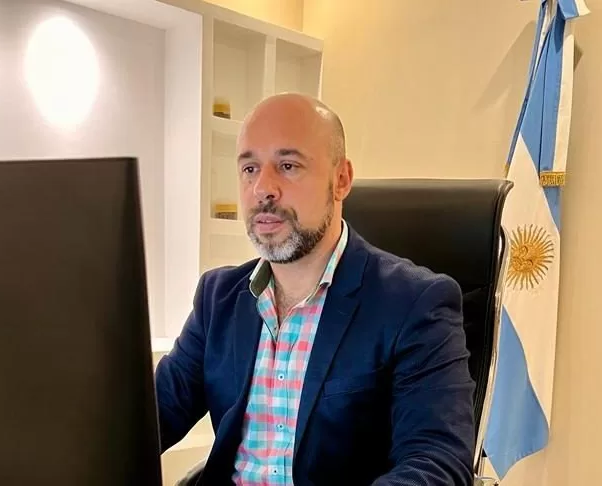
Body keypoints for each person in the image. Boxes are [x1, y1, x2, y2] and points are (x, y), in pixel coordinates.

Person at [154, 93, 475, 485]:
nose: (262, 188)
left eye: (288, 166)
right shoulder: (217, 298)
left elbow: (438, 462)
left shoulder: (415, 303)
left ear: (341, 180)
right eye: (250, 168)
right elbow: (149, 418)